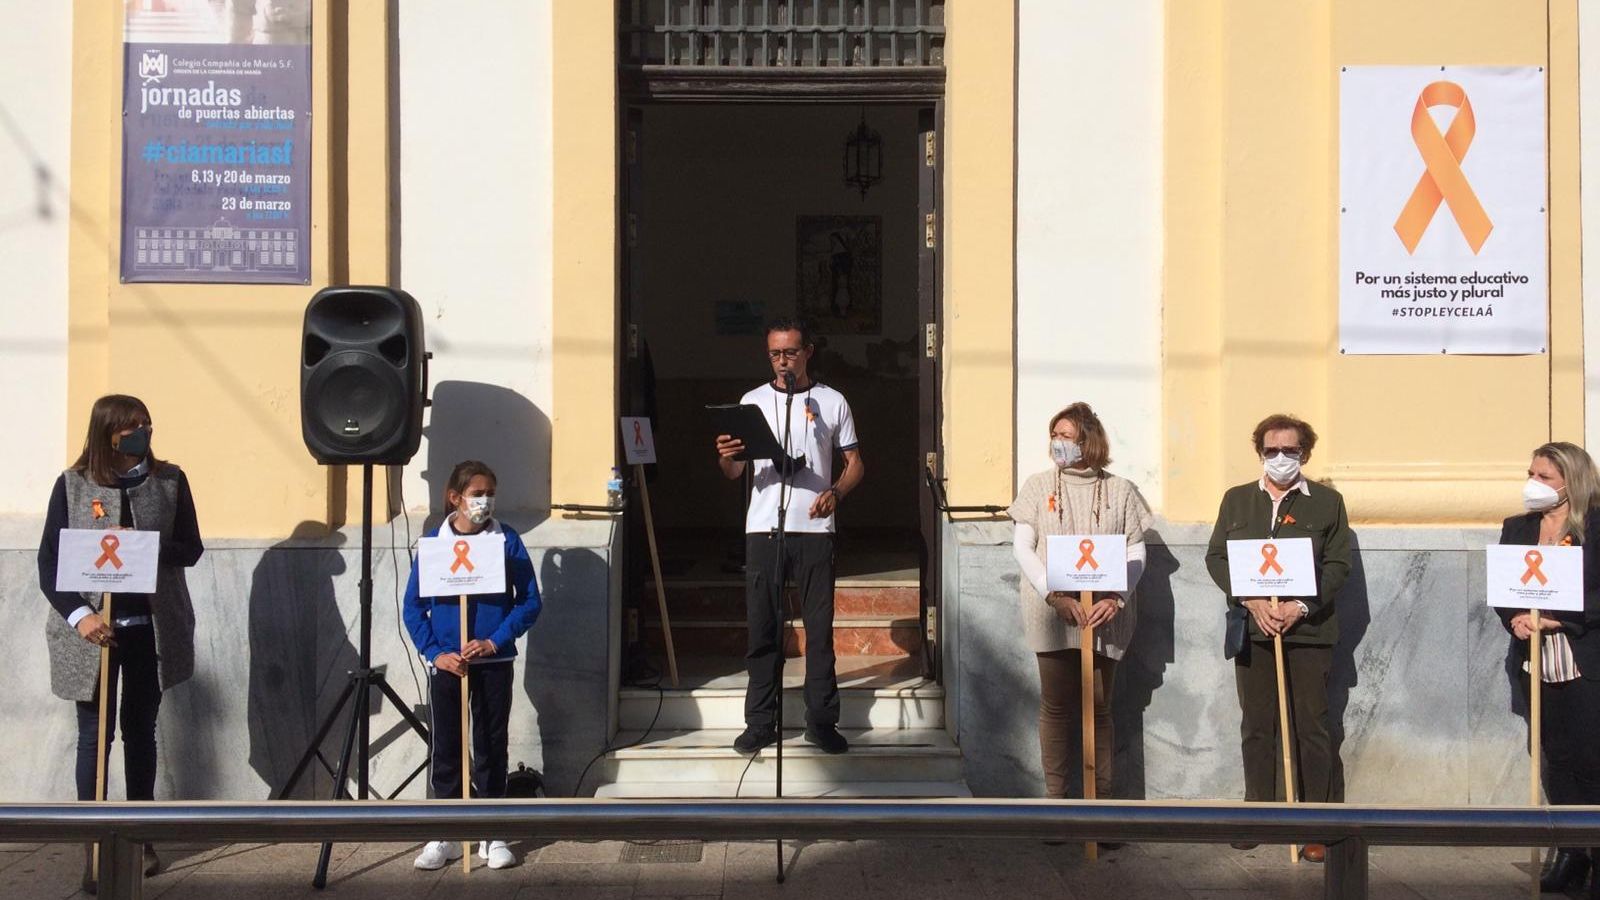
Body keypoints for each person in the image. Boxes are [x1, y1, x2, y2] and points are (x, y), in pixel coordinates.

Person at [36, 395, 204, 894]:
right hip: (94, 632)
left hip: (149, 628)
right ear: (108, 432)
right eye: (132, 425)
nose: (143, 431)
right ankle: (93, 842)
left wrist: (142, 543)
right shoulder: (73, 484)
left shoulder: (169, 480)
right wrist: (81, 616)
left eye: (147, 423)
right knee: (94, 734)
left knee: (140, 732)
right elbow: (49, 561)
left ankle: (139, 836)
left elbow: (190, 548)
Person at [1204, 413, 1351, 864]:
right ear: (1260, 453)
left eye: (1290, 450)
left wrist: (1298, 606)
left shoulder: (1327, 502)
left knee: (1312, 726)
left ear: (1304, 453)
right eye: (1272, 450)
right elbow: (1217, 557)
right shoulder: (1236, 501)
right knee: (1257, 724)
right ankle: (1259, 814)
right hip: (1254, 629)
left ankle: (1318, 824)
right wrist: (1251, 600)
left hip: (1307, 633)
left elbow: (1338, 565)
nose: (1281, 458)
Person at [715, 317, 865, 756]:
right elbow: (735, 472)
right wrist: (725, 458)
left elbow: (855, 462)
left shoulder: (831, 401)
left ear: (808, 353)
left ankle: (821, 720)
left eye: (791, 353)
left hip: (815, 530)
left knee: (819, 630)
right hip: (764, 527)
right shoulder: (753, 401)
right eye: (775, 354)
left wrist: (835, 492)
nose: (783, 361)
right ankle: (761, 721)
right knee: (763, 627)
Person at [1008, 403, 1152, 802]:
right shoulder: (1038, 486)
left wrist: (1117, 596)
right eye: (1054, 435)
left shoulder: (1120, 490)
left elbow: (1135, 549)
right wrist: (1053, 595)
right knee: (1056, 706)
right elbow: (1023, 546)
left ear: (1087, 439)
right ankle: (1057, 802)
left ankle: (1100, 804)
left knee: (1099, 708)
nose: (1057, 443)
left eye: (1066, 436)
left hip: (1104, 612)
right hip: (1052, 611)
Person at [403, 461, 541, 871]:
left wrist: (495, 639)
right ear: (455, 498)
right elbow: (414, 607)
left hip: (493, 661)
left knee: (491, 746)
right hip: (448, 664)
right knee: (446, 747)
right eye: (477, 493)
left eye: (490, 493)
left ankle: (492, 830)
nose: (485, 501)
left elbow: (530, 601)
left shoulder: (506, 540)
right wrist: (435, 653)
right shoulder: (435, 543)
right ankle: (444, 831)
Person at [1495, 443, 1600, 896]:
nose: (1533, 485)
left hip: (1583, 661)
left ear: (1570, 482)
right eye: (1531, 474)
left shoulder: (1595, 528)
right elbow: (1504, 586)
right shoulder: (1517, 527)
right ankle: (1570, 852)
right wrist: (1515, 617)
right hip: (1537, 663)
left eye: (1544, 477)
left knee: (1590, 760)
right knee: (1555, 761)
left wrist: (1563, 617)